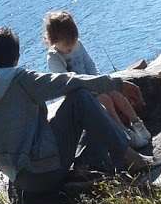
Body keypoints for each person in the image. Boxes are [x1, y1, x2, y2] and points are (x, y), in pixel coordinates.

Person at [0, 27, 156, 194]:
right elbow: (68, 82)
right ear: (16, 58)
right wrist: (115, 84)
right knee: (80, 98)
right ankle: (131, 158)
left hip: (19, 181)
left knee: (70, 114)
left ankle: (78, 174)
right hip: (43, 173)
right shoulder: (19, 79)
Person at [43, 11, 152, 148]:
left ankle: (137, 123)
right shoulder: (53, 58)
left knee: (115, 93)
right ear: (54, 41)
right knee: (105, 100)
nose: (70, 48)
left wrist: (100, 82)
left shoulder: (78, 45)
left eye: (73, 42)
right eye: (66, 46)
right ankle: (123, 132)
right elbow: (67, 83)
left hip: (94, 84)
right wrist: (93, 89)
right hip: (79, 93)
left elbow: (90, 65)